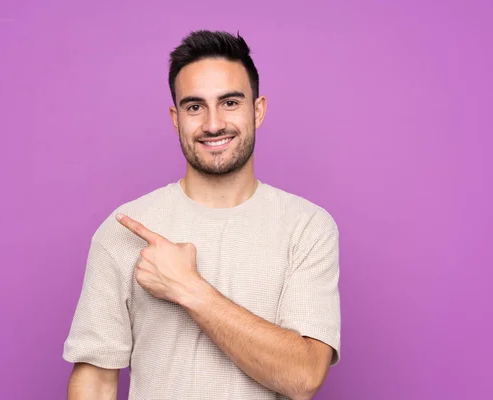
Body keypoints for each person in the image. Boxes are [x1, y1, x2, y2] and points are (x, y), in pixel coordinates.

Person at [63, 30, 341, 400]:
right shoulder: (125, 230)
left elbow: (303, 376)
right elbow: (95, 382)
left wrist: (188, 288)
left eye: (229, 103)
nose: (212, 124)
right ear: (175, 118)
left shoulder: (307, 227)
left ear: (257, 111)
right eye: (195, 107)